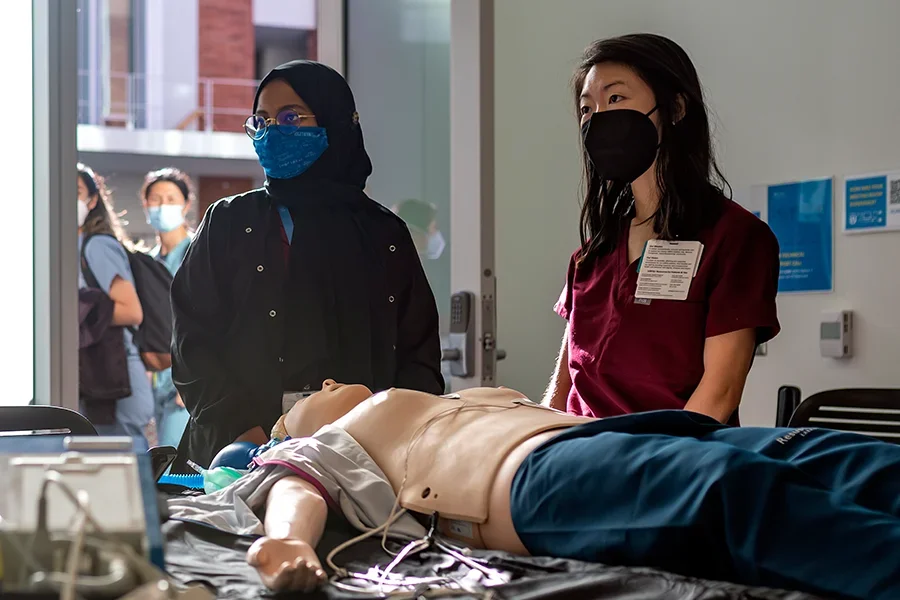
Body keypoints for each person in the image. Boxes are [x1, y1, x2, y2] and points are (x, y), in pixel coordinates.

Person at [169, 381, 900, 599]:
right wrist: (286, 546)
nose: (326, 383)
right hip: (527, 482)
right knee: (735, 489)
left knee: (828, 454)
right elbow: (296, 492)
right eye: (303, 395)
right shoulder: (315, 443)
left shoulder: (445, 396)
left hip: (617, 435)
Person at [170, 61, 444, 470]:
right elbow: (193, 344)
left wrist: (391, 443)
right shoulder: (229, 223)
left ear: (335, 121)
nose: (272, 131)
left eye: (290, 117)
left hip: (361, 460)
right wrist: (249, 440)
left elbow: (418, 360)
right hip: (232, 458)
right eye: (261, 120)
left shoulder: (385, 236)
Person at [543, 34, 780, 424]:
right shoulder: (592, 256)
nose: (598, 118)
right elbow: (563, 388)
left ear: (675, 108)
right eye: (587, 109)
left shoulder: (736, 238)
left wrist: (649, 470)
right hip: (579, 461)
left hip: (671, 466)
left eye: (615, 99)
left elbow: (718, 395)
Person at [77, 163, 153, 449]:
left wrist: (74, 312)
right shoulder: (68, 247)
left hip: (116, 378)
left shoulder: (96, 246)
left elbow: (131, 311)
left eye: (77, 191)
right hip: (99, 378)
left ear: (93, 200)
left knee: (127, 466)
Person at [141, 167, 194, 449]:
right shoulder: (147, 262)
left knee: (177, 462)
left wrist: (187, 380)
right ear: (145, 205)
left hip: (187, 379)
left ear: (186, 205)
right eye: (156, 199)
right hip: (154, 379)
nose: (162, 206)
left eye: (171, 199)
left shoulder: (198, 252)